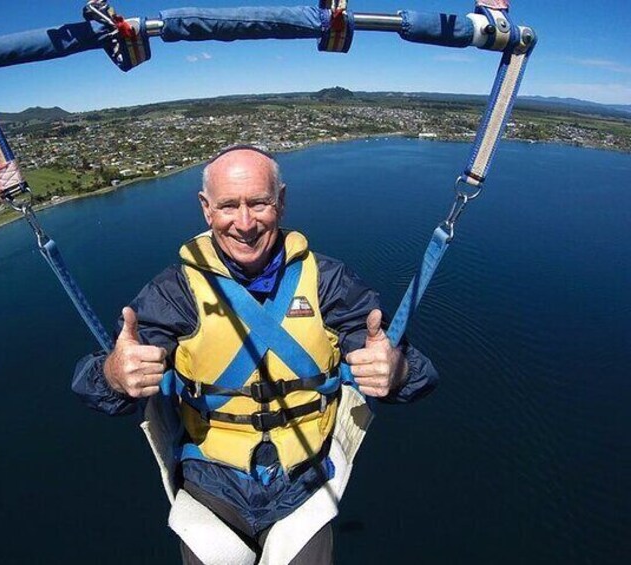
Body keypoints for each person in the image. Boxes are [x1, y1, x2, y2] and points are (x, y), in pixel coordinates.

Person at [72, 146, 438, 564]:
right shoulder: (175, 293)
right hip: (212, 483)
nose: (244, 223)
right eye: (229, 205)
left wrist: (396, 369)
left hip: (303, 482)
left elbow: (416, 373)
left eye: (259, 203)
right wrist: (117, 374)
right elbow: (92, 382)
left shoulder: (328, 283)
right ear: (206, 210)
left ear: (281, 202)